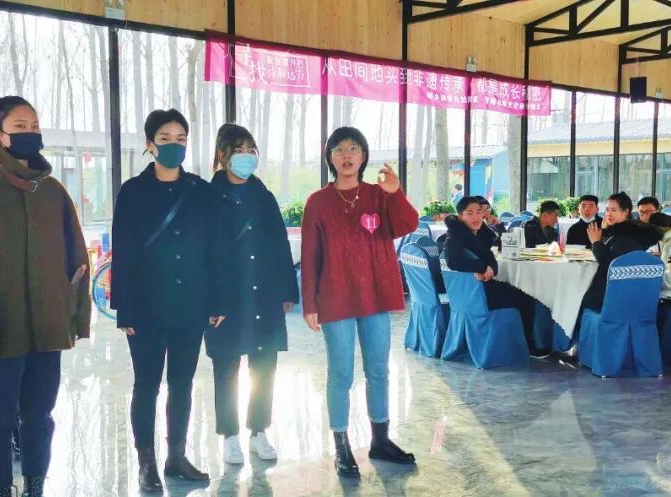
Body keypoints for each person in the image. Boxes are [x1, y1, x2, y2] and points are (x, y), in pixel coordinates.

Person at [0, 96, 91, 497]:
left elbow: (76, 259)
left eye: (34, 125)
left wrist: (72, 313)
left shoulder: (52, 191)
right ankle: (0, 490)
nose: (30, 132)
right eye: (19, 126)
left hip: (47, 328)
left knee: (40, 416)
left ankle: (35, 485)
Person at [110, 109, 231, 490]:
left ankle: (176, 457)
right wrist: (124, 309)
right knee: (147, 384)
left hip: (191, 304)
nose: (174, 145)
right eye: (165, 139)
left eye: (181, 139)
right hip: (145, 306)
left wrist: (217, 300)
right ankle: (146, 462)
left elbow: (215, 249)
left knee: (182, 383)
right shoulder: (132, 191)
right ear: (150, 144)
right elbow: (123, 252)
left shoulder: (200, 191)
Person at [301, 127, 418, 478]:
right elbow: (310, 255)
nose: (347, 155)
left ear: (364, 156)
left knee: (379, 370)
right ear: (330, 157)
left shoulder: (378, 194)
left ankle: (380, 440)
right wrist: (310, 303)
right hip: (335, 295)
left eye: (354, 148)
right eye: (339, 149)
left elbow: (407, 224)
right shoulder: (317, 202)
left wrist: (395, 193)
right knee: (341, 373)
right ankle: (341, 445)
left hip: (374, 296)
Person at [207, 124, 298, 465]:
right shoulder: (208, 198)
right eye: (238, 150)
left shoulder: (263, 196)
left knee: (264, 367)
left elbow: (280, 244)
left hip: (264, 293)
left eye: (250, 150)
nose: (246, 156)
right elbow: (202, 253)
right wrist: (210, 302)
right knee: (226, 368)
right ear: (222, 155)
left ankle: (258, 431)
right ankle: (229, 436)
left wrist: (287, 289)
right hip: (225, 297)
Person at [563, 192, 663, 368]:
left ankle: (577, 346)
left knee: (577, 297)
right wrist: (605, 234)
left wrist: (596, 242)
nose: (609, 214)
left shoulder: (626, 237)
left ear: (626, 212)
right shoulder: (632, 233)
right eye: (607, 210)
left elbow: (609, 264)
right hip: (637, 299)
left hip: (614, 299)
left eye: (614, 210)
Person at [445, 197, 542, 357]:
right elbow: (452, 261)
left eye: (479, 212)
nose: (476, 217)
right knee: (527, 297)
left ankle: (520, 341)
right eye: (470, 213)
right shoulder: (457, 233)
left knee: (519, 291)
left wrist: (488, 267)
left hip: (473, 292)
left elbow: (491, 251)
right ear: (461, 216)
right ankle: (528, 345)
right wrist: (481, 267)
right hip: (478, 294)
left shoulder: (474, 232)